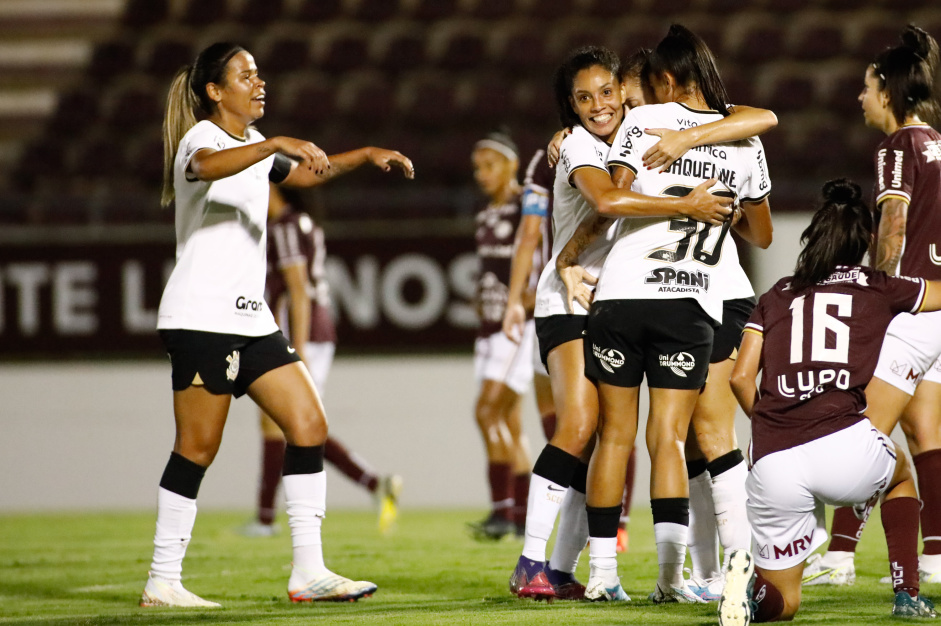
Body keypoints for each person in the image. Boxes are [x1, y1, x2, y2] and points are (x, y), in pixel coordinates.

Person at [140, 42, 413, 608]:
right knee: (197, 447)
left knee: (308, 423)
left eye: (259, 73)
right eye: (245, 76)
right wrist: (274, 143)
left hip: (250, 317)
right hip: (200, 318)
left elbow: (309, 175)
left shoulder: (254, 149)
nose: (258, 82)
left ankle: (308, 572)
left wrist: (364, 154)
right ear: (216, 92)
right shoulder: (204, 138)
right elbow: (206, 168)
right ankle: (162, 580)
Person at [511, 42, 774, 602]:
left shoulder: (645, 135)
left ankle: (572, 569)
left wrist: (689, 138)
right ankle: (539, 560)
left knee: (634, 438)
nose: (611, 106)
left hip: (629, 295)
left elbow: (762, 117)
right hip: (578, 298)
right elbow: (608, 203)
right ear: (572, 106)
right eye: (591, 97)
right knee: (599, 429)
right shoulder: (584, 143)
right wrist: (566, 259)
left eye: (616, 95)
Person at [721, 179, 941, 624]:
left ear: (813, 236)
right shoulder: (878, 286)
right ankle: (907, 594)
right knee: (899, 473)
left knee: (784, 603)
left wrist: (770, 418)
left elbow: (741, 378)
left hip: (773, 458)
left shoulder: (777, 293)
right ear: (866, 242)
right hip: (843, 447)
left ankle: (748, 594)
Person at [802, 25, 941, 589]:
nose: (860, 98)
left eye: (866, 87)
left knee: (862, 432)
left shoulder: (899, 146)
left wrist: (876, 292)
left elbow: (894, 221)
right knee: (925, 432)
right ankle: (934, 557)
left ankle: (837, 555)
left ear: (887, 90)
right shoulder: (940, 143)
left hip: (910, 308)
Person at [242, 184, 402, 539]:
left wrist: (294, 349)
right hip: (318, 330)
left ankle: (265, 519)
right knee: (297, 423)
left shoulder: (283, 226)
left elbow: (297, 291)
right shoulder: (304, 223)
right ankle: (375, 483)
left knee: (280, 422)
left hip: (302, 333)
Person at [466, 129, 536, 541]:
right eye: (478, 167)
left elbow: (538, 260)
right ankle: (520, 514)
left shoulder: (524, 210)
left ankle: (501, 511)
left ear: (511, 164)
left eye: (490, 164)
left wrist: (522, 304)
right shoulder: (486, 214)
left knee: (486, 411)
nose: (482, 174)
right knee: (509, 420)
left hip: (515, 327)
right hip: (487, 326)